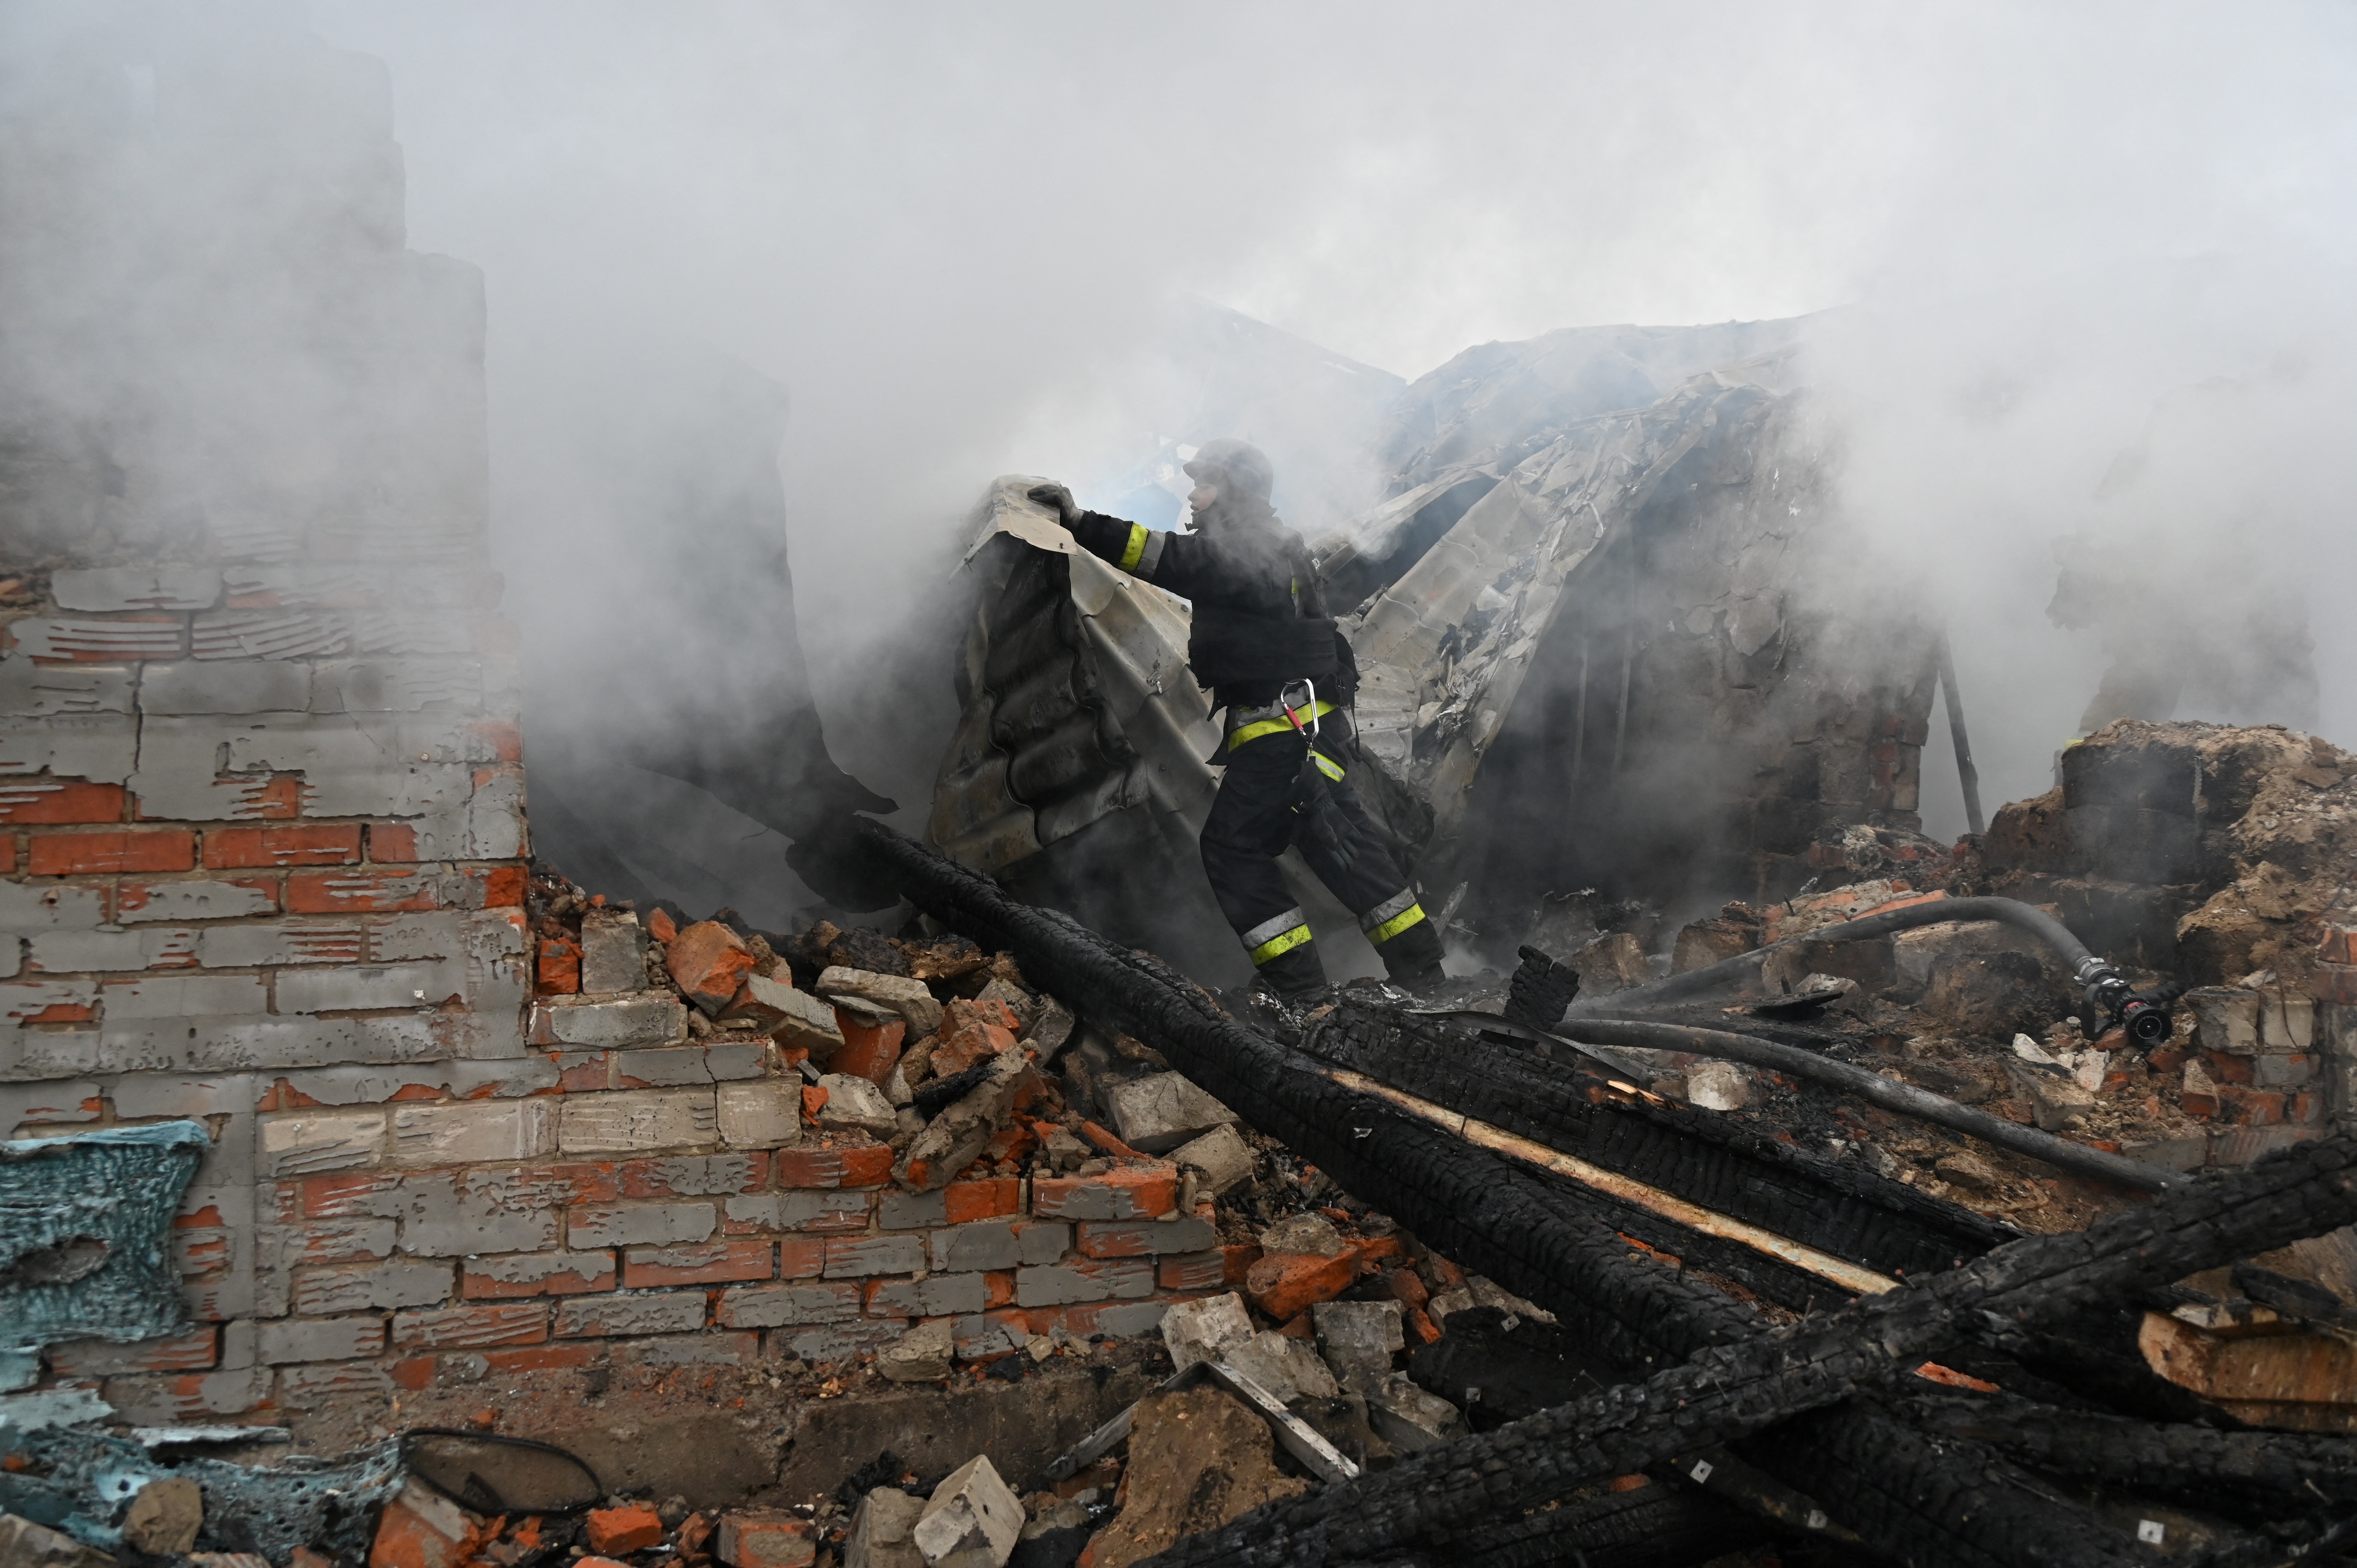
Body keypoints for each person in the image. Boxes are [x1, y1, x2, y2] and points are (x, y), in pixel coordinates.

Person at [1028, 440, 1445, 999]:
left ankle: (1302, 993)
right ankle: (1424, 974)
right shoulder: (1277, 547)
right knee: (1342, 848)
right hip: (1309, 735)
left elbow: (1173, 560)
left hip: (1284, 737)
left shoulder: (1252, 548)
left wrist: (1081, 522)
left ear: (1236, 491)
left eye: (1204, 484)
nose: (1193, 495)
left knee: (1233, 848)